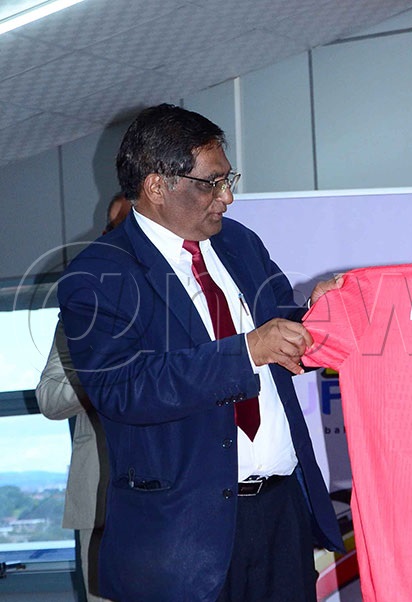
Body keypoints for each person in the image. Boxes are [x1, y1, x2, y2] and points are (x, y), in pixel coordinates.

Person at [56, 104, 342, 602]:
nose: (227, 197)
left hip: (281, 515)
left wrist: (322, 314)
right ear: (157, 186)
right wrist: (247, 352)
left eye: (228, 179)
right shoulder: (99, 273)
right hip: (180, 536)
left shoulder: (240, 243)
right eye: (212, 183)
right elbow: (123, 389)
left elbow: (280, 324)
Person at [35, 192, 131, 602]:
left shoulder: (190, 302)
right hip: (101, 505)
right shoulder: (84, 308)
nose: (116, 235)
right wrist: (109, 376)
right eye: (113, 226)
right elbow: (49, 398)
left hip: (188, 504)